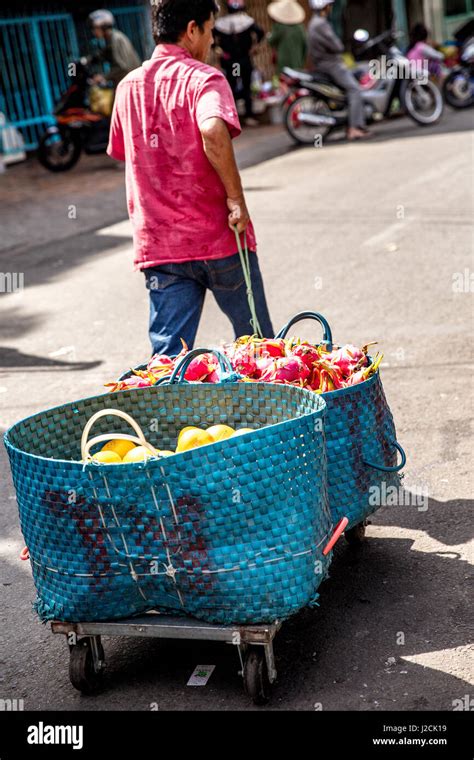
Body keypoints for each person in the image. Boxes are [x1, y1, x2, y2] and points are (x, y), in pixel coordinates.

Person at [107, 0, 273, 357]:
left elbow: (126, 152)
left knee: (167, 362)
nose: (211, 41)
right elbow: (212, 129)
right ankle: (270, 413)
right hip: (220, 239)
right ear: (192, 29)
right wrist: (236, 200)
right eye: (210, 31)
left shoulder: (127, 88)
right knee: (260, 350)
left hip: (162, 251)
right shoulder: (205, 79)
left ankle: (160, 415)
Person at [308, 0, 370, 140]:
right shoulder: (321, 24)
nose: (330, 8)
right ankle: (354, 128)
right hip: (331, 65)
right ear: (325, 7)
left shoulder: (314, 23)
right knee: (354, 90)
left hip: (325, 63)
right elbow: (337, 46)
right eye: (329, 6)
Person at [214, 0, 264, 127]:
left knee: (232, 87)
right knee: (246, 87)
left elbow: (211, 37)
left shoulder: (221, 23)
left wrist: (217, 49)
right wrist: (255, 46)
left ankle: (234, 118)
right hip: (243, 60)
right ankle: (248, 116)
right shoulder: (246, 21)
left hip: (230, 62)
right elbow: (260, 32)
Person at [88, 9, 141, 86]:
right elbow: (104, 53)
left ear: (103, 27)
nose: (93, 32)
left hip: (131, 83)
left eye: (95, 28)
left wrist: (103, 77)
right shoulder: (111, 39)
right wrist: (89, 60)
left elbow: (122, 67)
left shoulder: (116, 39)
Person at [267, 0, 307, 74]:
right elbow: (305, 45)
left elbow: (271, 41)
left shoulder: (279, 26)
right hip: (297, 62)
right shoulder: (300, 27)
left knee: (284, 81)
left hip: (283, 63)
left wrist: (269, 36)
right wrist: (302, 60)